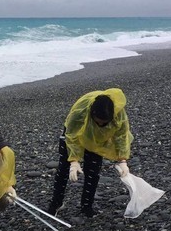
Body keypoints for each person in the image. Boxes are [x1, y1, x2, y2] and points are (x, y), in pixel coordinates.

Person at [47, 88, 133, 218]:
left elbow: (121, 137)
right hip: (75, 132)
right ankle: (56, 204)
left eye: (104, 123)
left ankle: (86, 206)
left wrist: (122, 161)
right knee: (64, 169)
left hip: (97, 139)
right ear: (92, 113)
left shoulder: (118, 114)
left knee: (93, 171)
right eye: (98, 121)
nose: (100, 124)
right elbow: (71, 136)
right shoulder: (80, 112)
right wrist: (74, 161)